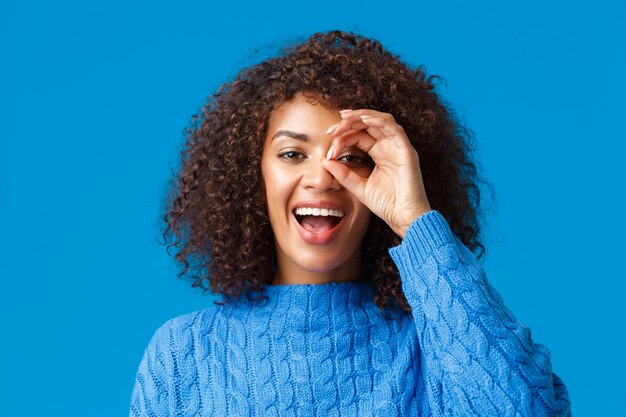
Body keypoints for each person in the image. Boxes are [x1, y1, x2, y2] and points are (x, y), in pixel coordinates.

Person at [129, 31, 571, 416]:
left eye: (351, 158)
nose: (322, 177)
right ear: (252, 174)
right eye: (291, 154)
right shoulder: (183, 354)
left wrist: (415, 219)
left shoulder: (430, 346)